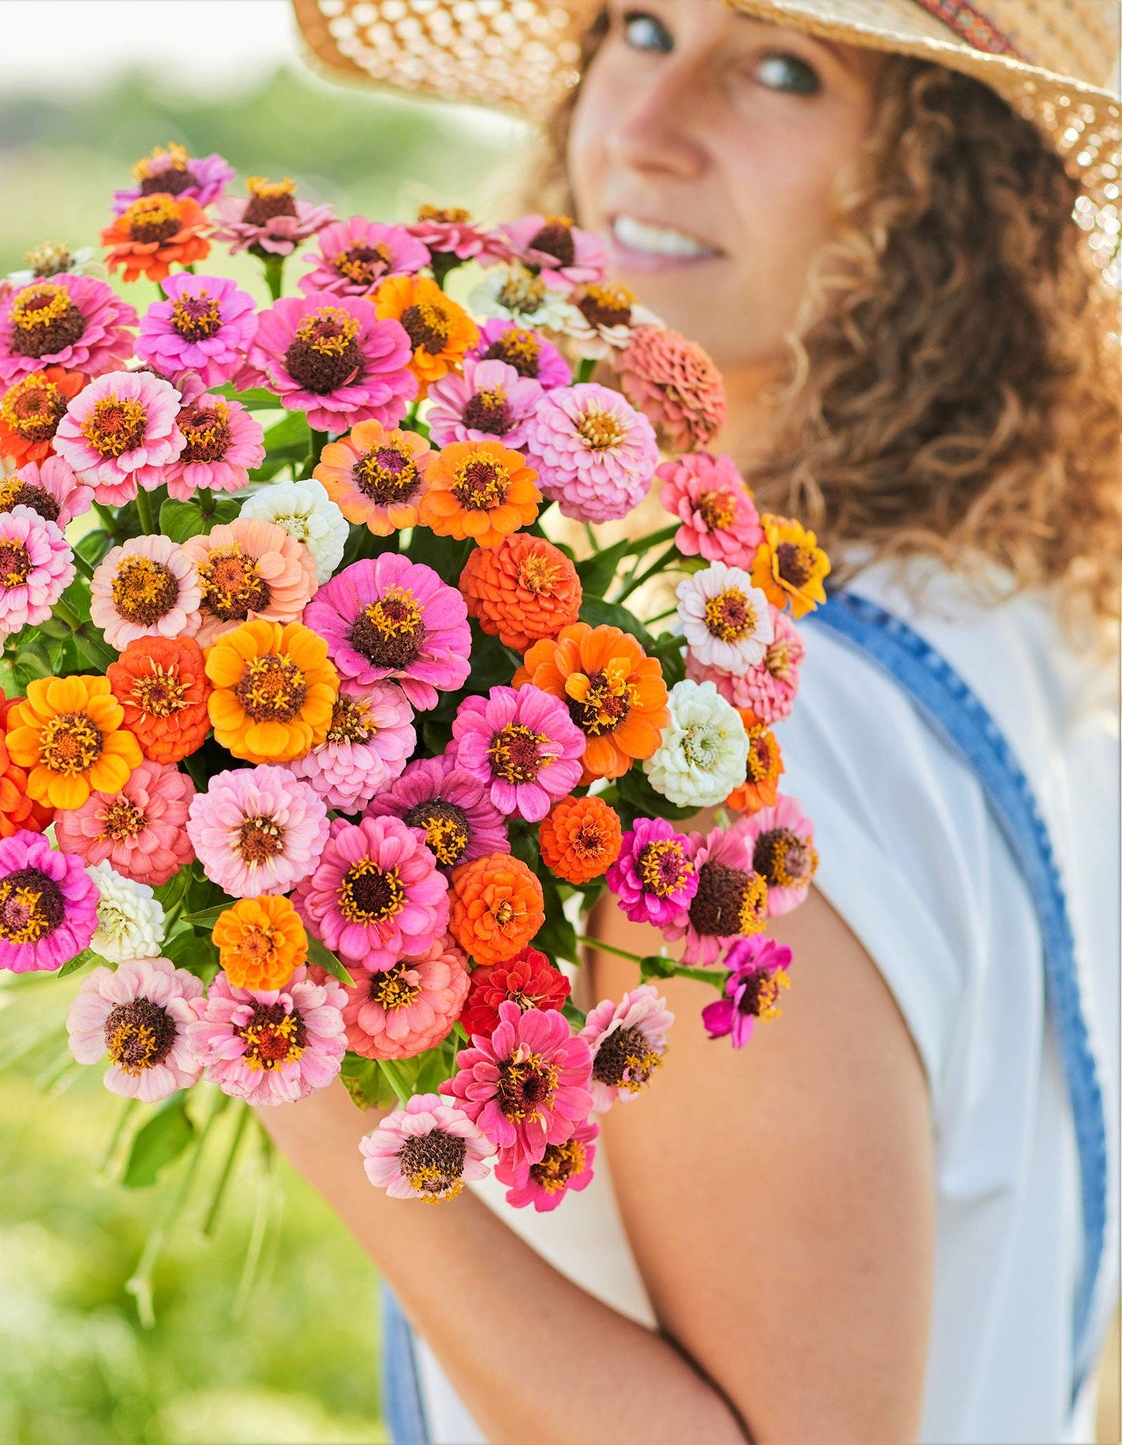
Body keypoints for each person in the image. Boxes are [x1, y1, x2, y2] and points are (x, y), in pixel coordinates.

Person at [272, 1, 1122, 1440]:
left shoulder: (708, 744)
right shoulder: (1031, 622)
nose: (643, 132)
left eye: (781, 70)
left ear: (946, 190)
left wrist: (310, 1087)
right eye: (640, 27)